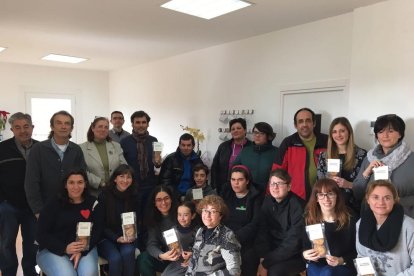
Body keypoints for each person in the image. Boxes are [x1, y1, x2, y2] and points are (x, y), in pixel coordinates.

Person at [36, 170, 104, 276]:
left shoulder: (93, 203)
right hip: (53, 249)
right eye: (71, 182)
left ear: (85, 184)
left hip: (85, 248)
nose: (76, 187)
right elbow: (41, 234)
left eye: (80, 182)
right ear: (65, 185)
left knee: (88, 273)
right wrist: (64, 248)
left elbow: (98, 230)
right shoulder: (53, 204)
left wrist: (82, 250)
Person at [25, 110, 87, 217]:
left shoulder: (76, 150)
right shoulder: (38, 149)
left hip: (71, 206)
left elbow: (82, 178)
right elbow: (31, 182)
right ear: (52, 127)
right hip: (45, 207)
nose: (63, 126)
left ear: (71, 128)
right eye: (59, 123)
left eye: (67, 123)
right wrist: (38, 210)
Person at [353, 114, 414, 217]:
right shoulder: (369, 158)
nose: (385, 135)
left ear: (400, 134)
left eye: (390, 131)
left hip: (404, 218)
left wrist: (396, 201)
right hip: (371, 219)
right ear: (376, 135)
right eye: (380, 132)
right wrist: (366, 173)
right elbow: (358, 194)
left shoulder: (411, 159)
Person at [0, 112, 38, 276]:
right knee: (6, 243)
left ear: (32, 127)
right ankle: (8, 272)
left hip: (33, 206)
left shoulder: (41, 148)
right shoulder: (2, 148)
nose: (23, 131)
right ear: (12, 129)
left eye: (26, 126)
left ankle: (30, 271)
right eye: (18, 127)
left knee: (32, 243)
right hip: (8, 205)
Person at [356, 180, 414, 275]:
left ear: (394, 200)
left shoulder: (409, 226)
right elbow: (362, 257)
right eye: (375, 197)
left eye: (387, 198)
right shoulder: (360, 224)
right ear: (368, 200)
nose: (381, 202)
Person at [255, 168, 306, 276]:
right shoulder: (268, 200)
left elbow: (294, 242)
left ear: (289, 187)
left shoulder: (298, 205)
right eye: (272, 184)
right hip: (272, 250)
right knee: (248, 260)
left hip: (295, 254)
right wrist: (263, 256)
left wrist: (266, 263)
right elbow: (262, 230)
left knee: (275, 271)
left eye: (279, 183)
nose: (275, 187)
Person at [302, 178, 357, 276]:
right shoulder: (309, 219)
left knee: (328, 272)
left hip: (343, 265)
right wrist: (305, 254)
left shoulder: (350, 218)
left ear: (337, 196)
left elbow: (357, 251)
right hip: (317, 265)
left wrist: (340, 260)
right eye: (321, 195)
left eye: (330, 194)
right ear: (317, 198)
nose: (326, 199)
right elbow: (302, 248)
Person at [273, 107, 328, 201]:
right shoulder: (288, 143)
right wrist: (274, 196)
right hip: (296, 198)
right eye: (301, 121)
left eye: (308, 121)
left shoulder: (326, 141)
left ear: (314, 123)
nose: (304, 124)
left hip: (324, 196)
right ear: (295, 125)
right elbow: (277, 172)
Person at [317, 117, 367, 214]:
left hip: (353, 208)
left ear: (349, 132)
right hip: (329, 207)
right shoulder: (324, 156)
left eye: (342, 131)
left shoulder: (362, 155)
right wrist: (328, 184)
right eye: (334, 132)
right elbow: (319, 183)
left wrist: (349, 184)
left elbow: (366, 186)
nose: (338, 135)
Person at [98, 164, 140, 276]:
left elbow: (138, 221)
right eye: (122, 176)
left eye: (129, 177)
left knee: (128, 253)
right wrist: (116, 238)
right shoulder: (104, 195)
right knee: (115, 258)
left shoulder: (134, 196)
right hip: (106, 238)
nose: (125, 180)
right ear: (115, 178)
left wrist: (131, 234)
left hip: (128, 237)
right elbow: (100, 225)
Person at [221, 165, 262, 276]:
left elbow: (255, 224)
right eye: (233, 180)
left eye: (240, 180)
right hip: (225, 240)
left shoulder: (255, 197)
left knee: (248, 259)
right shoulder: (226, 194)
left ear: (247, 181)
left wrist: (234, 237)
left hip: (247, 242)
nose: (236, 183)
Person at [186, 195, 241, 276]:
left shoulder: (227, 235)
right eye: (205, 210)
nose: (207, 215)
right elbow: (194, 260)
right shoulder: (200, 231)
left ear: (220, 216)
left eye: (213, 211)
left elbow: (234, 271)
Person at [121, 110, 160, 216]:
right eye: (137, 122)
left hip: (150, 185)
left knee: (149, 215)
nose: (141, 125)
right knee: (134, 216)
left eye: (143, 122)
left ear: (148, 124)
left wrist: (158, 161)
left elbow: (157, 164)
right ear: (132, 124)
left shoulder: (154, 140)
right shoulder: (124, 142)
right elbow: (122, 166)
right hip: (132, 187)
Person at [136, 185, 179, 276]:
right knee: (143, 258)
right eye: (159, 200)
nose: (163, 203)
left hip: (185, 258)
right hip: (168, 257)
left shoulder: (181, 213)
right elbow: (151, 244)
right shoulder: (153, 219)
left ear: (171, 199)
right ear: (154, 203)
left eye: (166, 198)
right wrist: (161, 255)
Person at [80, 116, 127, 197]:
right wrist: (100, 183)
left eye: (106, 127)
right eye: (100, 126)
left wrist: (116, 182)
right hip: (93, 193)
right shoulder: (82, 148)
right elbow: (82, 171)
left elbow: (124, 166)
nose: (103, 129)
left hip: (115, 191)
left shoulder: (116, 146)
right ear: (93, 128)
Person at [232, 122, 278, 193]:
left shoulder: (277, 152)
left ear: (268, 136)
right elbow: (234, 169)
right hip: (248, 192)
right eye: (255, 132)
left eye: (261, 133)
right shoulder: (245, 151)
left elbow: (282, 175)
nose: (257, 136)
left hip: (269, 193)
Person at [211, 118, 252, 194]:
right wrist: (214, 186)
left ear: (245, 130)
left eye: (239, 128)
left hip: (246, 188)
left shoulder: (252, 147)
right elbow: (215, 167)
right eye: (233, 129)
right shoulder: (223, 147)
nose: (235, 130)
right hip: (224, 187)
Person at [159, 133, 204, 199]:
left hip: (192, 195)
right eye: (183, 145)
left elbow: (200, 181)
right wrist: (177, 196)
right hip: (174, 195)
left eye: (189, 145)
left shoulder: (198, 161)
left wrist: (196, 198)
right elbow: (164, 181)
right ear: (179, 146)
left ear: (193, 146)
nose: (186, 148)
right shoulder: (170, 159)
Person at [161, 201, 200, 276]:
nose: (182, 218)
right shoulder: (173, 230)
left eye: (185, 215)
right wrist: (172, 254)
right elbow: (169, 248)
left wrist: (192, 257)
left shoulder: (199, 231)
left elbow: (203, 251)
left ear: (193, 216)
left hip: (194, 264)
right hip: (177, 264)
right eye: (179, 215)